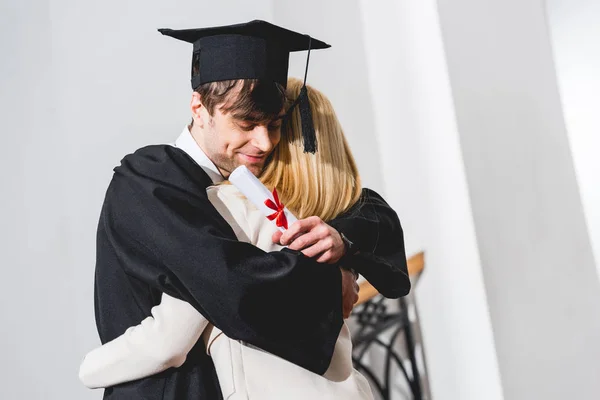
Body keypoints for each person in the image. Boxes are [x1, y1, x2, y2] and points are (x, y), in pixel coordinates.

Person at [91, 20, 409, 399]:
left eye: (274, 125)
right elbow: (229, 282)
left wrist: (341, 239)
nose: (264, 142)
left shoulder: (247, 187)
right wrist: (329, 280)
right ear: (199, 106)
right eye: (246, 123)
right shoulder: (151, 180)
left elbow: (369, 210)